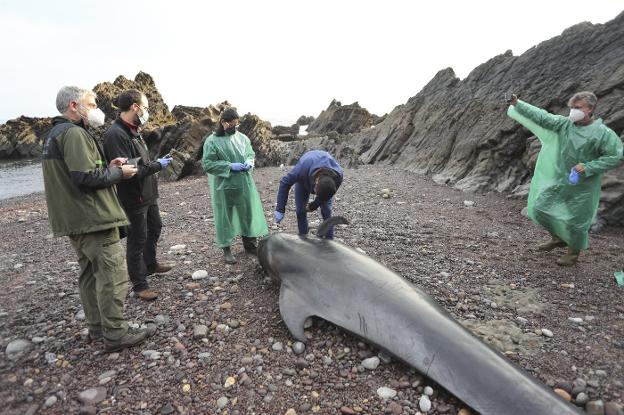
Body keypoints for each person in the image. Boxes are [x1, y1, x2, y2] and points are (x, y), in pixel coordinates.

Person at [42, 86, 147, 351]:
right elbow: (84, 178)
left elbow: (76, 173)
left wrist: (108, 167)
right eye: (92, 104)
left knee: (89, 275)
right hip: (93, 219)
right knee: (111, 275)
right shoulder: (75, 134)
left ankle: (98, 329)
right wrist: (119, 173)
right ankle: (115, 333)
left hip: (73, 220)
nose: (96, 109)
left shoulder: (54, 135)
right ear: (74, 106)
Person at [507, 91, 623, 266]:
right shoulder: (565, 124)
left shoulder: (602, 133)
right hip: (561, 179)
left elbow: (615, 156)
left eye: (577, 108)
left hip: (584, 185)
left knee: (577, 221)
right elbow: (542, 117)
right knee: (540, 208)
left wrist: (589, 167)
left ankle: (572, 254)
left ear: (590, 108)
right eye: (571, 108)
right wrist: (518, 103)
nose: (572, 111)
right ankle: (558, 237)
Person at [102, 89, 173, 301]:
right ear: (135, 106)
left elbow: (140, 163)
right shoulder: (116, 135)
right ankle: (140, 285)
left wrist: (154, 165)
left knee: (155, 227)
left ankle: (150, 264)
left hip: (148, 193)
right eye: (145, 108)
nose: (146, 111)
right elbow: (129, 173)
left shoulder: (135, 130)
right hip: (134, 197)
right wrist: (157, 166)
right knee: (137, 239)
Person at [201, 108, 268, 263]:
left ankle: (250, 245)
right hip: (224, 186)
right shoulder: (212, 141)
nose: (235, 127)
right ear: (223, 123)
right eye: (233, 124)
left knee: (247, 213)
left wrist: (249, 161)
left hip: (244, 183)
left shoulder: (243, 138)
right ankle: (226, 249)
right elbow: (208, 164)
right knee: (225, 217)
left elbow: (250, 153)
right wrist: (230, 166)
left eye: (237, 125)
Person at [274, 150, 343, 239]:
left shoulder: (338, 176)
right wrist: (280, 209)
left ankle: (330, 241)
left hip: (323, 181)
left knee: (327, 211)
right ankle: (303, 237)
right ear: (316, 182)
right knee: (300, 211)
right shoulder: (301, 170)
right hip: (305, 177)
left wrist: (313, 205)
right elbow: (285, 182)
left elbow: (326, 196)